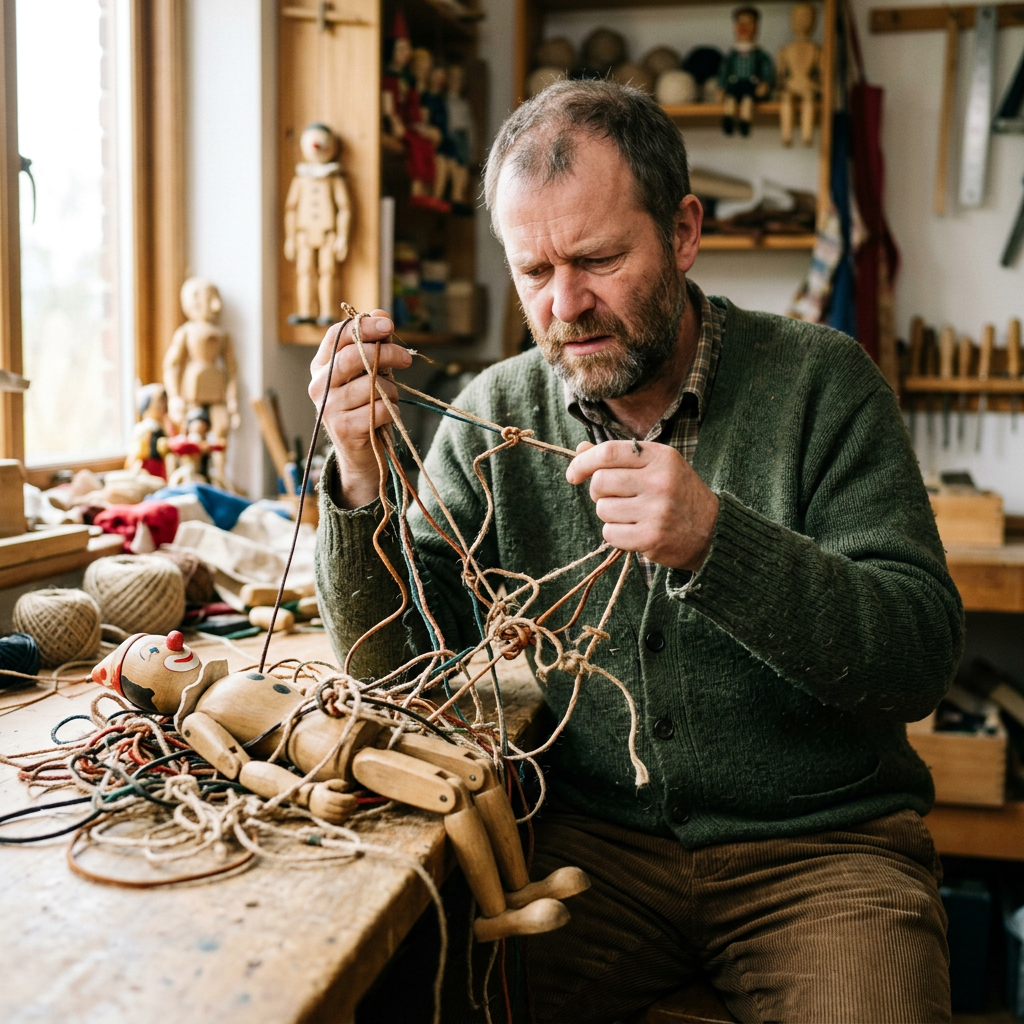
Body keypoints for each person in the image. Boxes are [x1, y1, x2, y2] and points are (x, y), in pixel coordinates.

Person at [309, 81, 963, 1023]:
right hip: (591, 851)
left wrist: (715, 541)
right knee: (407, 992)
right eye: (533, 270)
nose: (565, 304)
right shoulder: (493, 416)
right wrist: (360, 478)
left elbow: (917, 658)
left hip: (825, 851)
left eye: (600, 258)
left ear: (685, 232)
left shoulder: (823, 384)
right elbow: (403, 675)